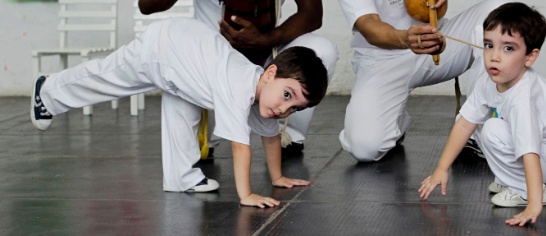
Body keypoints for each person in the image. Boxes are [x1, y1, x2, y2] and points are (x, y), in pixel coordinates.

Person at [30, 17, 329, 208]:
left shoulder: (263, 93)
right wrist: (246, 195)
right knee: (107, 78)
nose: (283, 108)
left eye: (295, 107)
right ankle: (47, 93)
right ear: (270, 73)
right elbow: (240, 146)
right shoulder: (239, 87)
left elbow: (270, 137)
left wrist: (277, 177)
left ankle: (180, 177)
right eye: (287, 95)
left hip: (184, 65)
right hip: (163, 47)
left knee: (184, 114)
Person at [138, 0, 338, 155]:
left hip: (264, 59)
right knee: (193, 153)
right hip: (210, 69)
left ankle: (288, 139)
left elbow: (312, 13)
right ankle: (209, 133)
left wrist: (267, 39)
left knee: (322, 51)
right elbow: (147, 2)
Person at [327, 0, 510, 162]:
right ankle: (395, 119)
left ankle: (478, 132)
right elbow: (369, 27)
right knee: (365, 148)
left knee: (500, 11)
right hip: (383, 58)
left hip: (439, 39)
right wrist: (406, 38)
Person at [418, 2, 546, 226]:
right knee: (478, 124)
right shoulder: (488, 81)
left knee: (493, 129)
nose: (494, 57)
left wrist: (533, 203)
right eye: (488, 45)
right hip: (544, 154)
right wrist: (441, 169)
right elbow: (465, 123)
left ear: (530, 57)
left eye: (508, 48)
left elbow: (529, 149)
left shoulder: (522, 97)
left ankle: (527, 190)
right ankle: (514, 180)